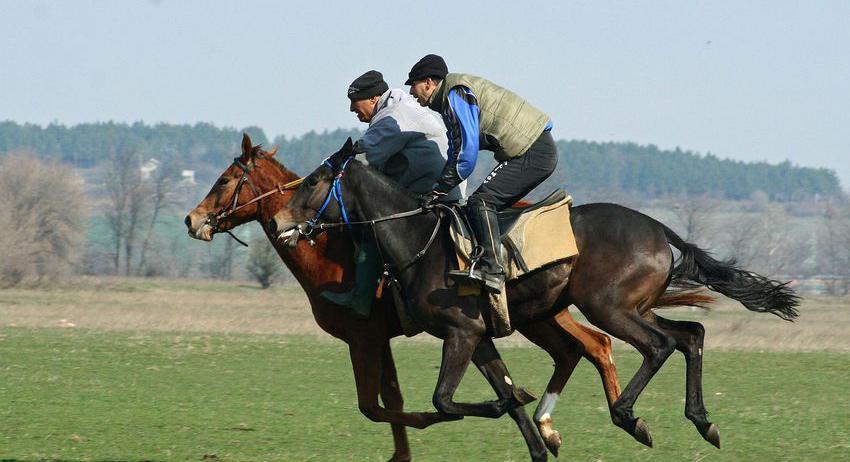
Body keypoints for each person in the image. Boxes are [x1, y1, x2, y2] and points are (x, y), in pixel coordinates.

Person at [406, 54, 558, 293]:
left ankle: (492, 269)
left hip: (533, 151)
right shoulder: (449, 98)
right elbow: (458, 150)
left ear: (428, 82)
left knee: (480, 202)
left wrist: (437, 190)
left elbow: (466, 157)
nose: (412, 93)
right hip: (534, 148)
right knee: (479, 206)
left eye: (413, 85)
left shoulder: (455, 93)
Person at [321, 70, 465, 316]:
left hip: (431, 192)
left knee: (374, 227)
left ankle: (362, 299)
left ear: (373, 99)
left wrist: (325, 170)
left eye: (355, 106)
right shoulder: (399, 109)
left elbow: (364, 160)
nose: (352, 112)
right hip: (435, 187)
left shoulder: (392, 116)